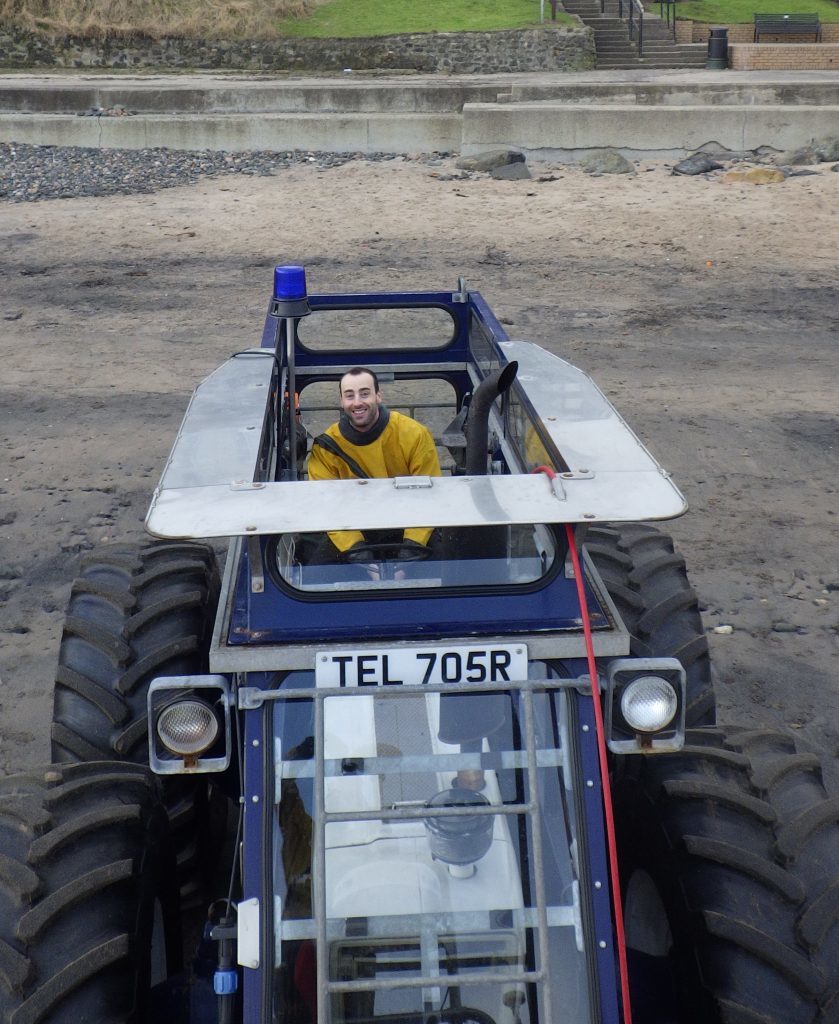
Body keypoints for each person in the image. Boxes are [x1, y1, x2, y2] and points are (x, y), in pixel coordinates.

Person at [306, 367, 441, 562]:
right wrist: (359, 554)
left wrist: (411, 551)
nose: (357, 402)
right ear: (341, 401)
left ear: (379, 396)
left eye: (365, 393)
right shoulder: (326, 447)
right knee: (315, 574)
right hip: (351, 527)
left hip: (411, 522)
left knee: (451, 566)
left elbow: (429, 496)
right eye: (349, 396)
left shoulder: (414, 435)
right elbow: (327, 506)